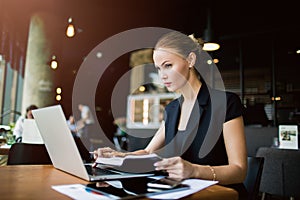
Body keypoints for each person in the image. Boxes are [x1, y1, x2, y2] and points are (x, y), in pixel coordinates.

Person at [93, 31, 248, 198]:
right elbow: (148, 152)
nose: (162, 76)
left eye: (168, 65)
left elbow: (239, 171)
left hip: (221, 195)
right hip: (183, 194)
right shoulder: (172, 109)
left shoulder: (226, 103)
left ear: (190, 60)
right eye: (159, 69)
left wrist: (194, 170)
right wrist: (117, 156)